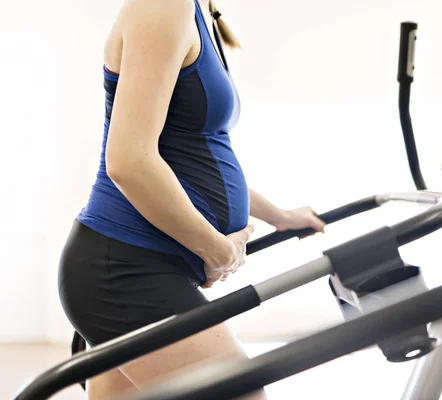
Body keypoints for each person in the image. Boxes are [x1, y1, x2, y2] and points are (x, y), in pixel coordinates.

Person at [57, 0, 325, 397]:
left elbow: (193, 162)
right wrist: (217, 249)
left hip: (139, 264)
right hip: (125, 271)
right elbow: (129, 162)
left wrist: (278, 215)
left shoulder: (193, 11)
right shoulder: (163, 6)